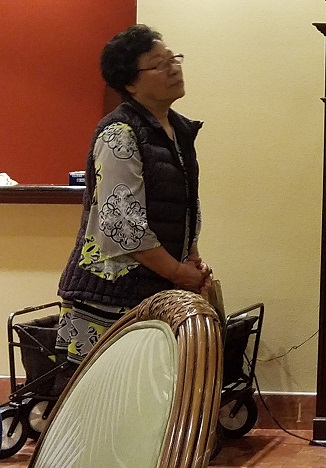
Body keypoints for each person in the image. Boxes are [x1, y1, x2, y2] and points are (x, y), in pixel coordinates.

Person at [56, 24, 211, 372]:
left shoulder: (179, 129)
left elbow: (182, 206)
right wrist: (178, 272)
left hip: (155, 285)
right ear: (130, 83)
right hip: (112, 294)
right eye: (159, 64)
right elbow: (122, 226)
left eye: (174, 58)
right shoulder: (119, 134)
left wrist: (192, 259)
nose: (173, 68)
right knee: (111, 395)